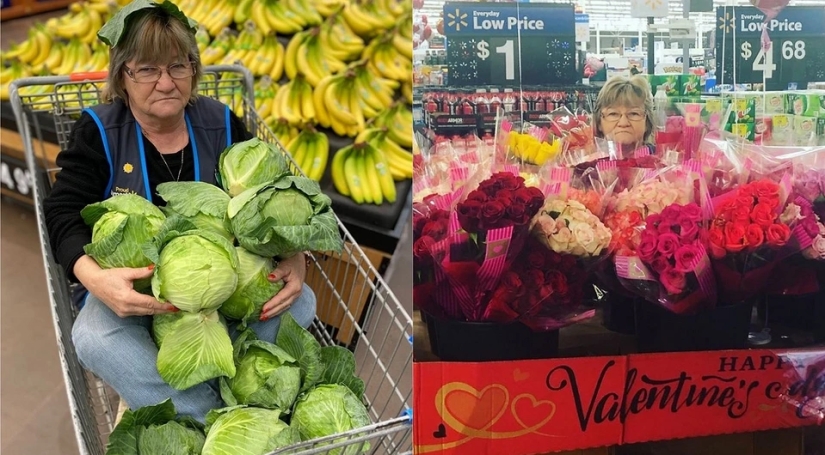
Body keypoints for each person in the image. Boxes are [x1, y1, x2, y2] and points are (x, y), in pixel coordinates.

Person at [42, 1, 315, 423]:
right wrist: (96, 278)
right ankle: (213, 417)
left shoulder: (222, 123)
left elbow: (265, 206)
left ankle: (214, 392)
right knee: (94, 337)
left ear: (194, 70)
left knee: (301, 303)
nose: (166, 83)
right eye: (147, 70)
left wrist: (293, 257)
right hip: (139, 292)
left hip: (220, 285)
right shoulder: (99, 130)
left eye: (178, 67)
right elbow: (63, 210)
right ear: (123, 76)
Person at [592, 74, 655, 155]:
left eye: (633, 113)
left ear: (647, 122)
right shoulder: (584, 164)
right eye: (613, 114)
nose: (623, 123)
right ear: (599, 123)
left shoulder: (666, 162)